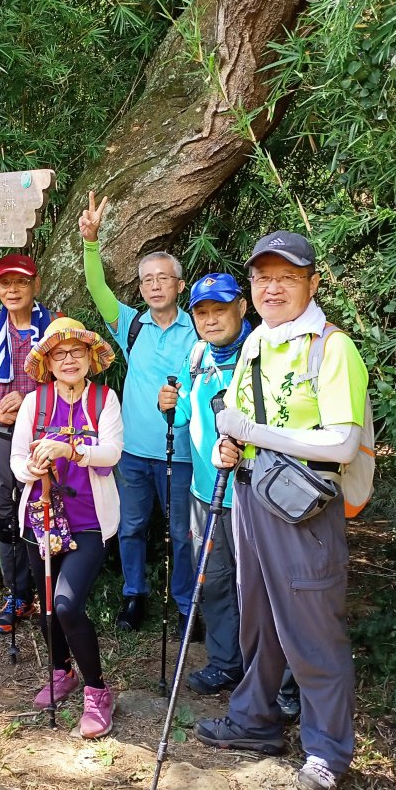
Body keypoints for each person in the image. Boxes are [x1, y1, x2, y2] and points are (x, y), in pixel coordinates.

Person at [194, 231, 369, 790]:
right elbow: (242, 421)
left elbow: (342, 444)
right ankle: (255, 719)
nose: (272, 287)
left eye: (286, 276)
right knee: (258, 618)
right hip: (250, 495)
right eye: (262, 277)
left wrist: (253, 435)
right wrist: (232, 446)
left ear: (312, 284)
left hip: (303, 509)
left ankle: (327, 751)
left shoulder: (332, 347)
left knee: (312, 627)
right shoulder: (257, 344)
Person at [80, 192, 197, 632]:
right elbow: (96, 288)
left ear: (178, 286)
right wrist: (91, 241)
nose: (153, 285)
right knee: (130, 529)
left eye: (162, 278)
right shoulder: (132, 325)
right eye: (146, 279)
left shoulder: (198, 329)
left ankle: (186, 603)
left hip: (183, 454)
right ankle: (134, 597)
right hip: (133, 454)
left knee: (183, 534)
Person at [10, 318, 123, 738]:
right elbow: (17, 459)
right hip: (40, 519)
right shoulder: (34, 403)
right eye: (60, 354)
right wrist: (31, 467)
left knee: (67, 605)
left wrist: (70, 449)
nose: (70, 359)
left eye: (77, 352)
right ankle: (61, 671)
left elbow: (111, 453)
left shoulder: (104, 399)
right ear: (49, 363)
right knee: (46, 608)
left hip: (89, 522)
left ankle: (97, 691)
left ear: (90, 358)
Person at [158, 273, 250, 694]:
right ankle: (224, 662)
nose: (211, 320)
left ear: (242, 307)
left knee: (259, 590)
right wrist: (168, 405)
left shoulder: (262, 351)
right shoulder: (196, 357)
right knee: (212, 581)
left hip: (255, 498)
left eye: (220, 309)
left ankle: (275, 679)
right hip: (204, 494)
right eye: (202, 312)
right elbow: (181, 419)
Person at [0, 254, 58, 633]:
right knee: (6, 517)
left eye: (21, 282)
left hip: (44, 439)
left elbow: (69, 378)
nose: (12, 289)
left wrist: (28, 401)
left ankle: (52, 598)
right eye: (5, 283)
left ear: (34, 285)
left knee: (44, 515)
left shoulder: (55, 328)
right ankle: (18, 596)